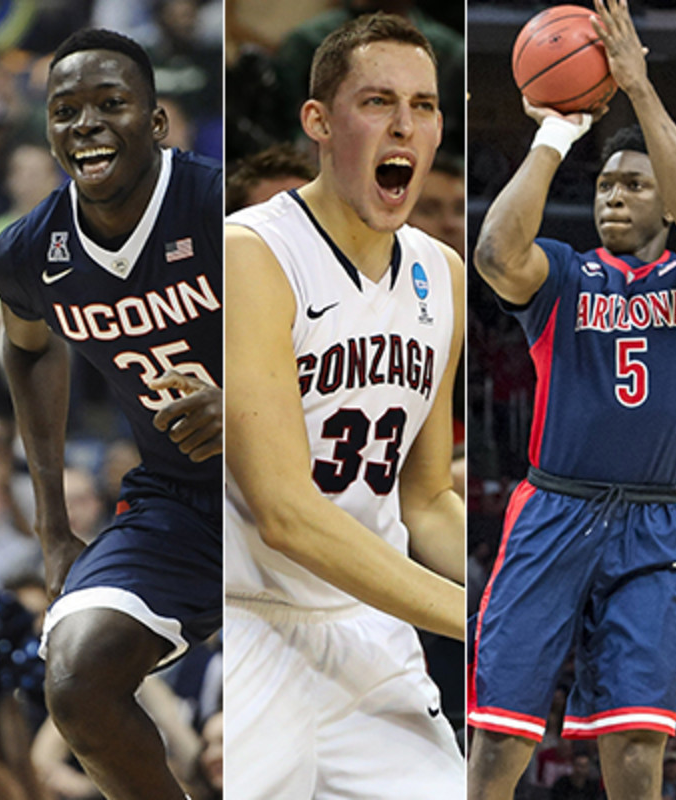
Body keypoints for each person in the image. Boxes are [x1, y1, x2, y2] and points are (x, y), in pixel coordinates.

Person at [466, 0, 676, 797]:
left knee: (638, 743)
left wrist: (636, 87)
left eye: (634, 183)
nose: (612, 194)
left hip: (652, 517)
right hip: (554, 509)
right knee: (500, 740)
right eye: (605, 182)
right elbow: (497, 253)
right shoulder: (568, 274)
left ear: (662, 201)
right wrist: (555, 133)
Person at [224, 13, 465, 798]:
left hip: (374, 631)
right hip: (254, 619)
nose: (405, 125)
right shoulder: (252, 254)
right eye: (378, 102)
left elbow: (426, 498)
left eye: (424, 106)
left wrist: (513, 593)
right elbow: (285, 513)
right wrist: (480, 621)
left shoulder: (443, 276)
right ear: (320, 123)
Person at [0, 27, 222, 800]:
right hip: (182, 500)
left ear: (156, 122)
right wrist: (53, 526)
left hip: (302, 482)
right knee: (78, 677)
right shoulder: (29, 253)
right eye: (65, 110)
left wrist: (246, 407)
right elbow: (27, 349)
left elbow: (329, 338)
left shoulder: (222, 207)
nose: (84, 123)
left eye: (110, 104)